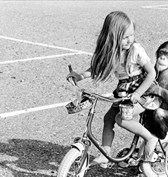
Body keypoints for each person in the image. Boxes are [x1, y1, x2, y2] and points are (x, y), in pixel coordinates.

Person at [66, 11, 158, 168]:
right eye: (125, 37)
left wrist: (137, 94)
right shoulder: (112, 52)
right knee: (108, 119)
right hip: (124, 92)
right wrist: (79, 76)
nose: (130, 40)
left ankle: (150, 138)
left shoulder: (135, 50)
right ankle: (105, 154)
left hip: (145, 92)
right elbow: (97, 69)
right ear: (113, 38)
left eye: (131, 35)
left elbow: (151, 73)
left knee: (121, 118)